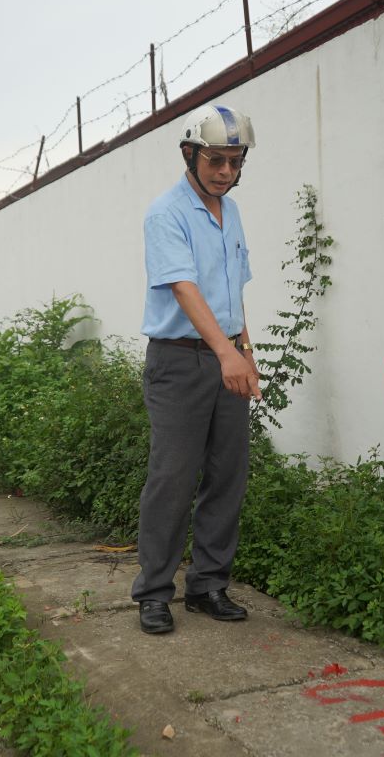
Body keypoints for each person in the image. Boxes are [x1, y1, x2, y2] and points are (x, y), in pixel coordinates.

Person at [133, 104, 262, 635]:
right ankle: (154, 593)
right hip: (181, 361)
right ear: (189, 154)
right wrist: (225, 353)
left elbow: (232, 292)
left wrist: (244, 348)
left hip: (228, 355)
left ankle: (208, 584)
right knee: (173, 477)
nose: (225, 172)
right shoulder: (166, 214)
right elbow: (185, 289)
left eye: (234, 162)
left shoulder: (230, 214)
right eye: (216, 160)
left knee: (228, 475)